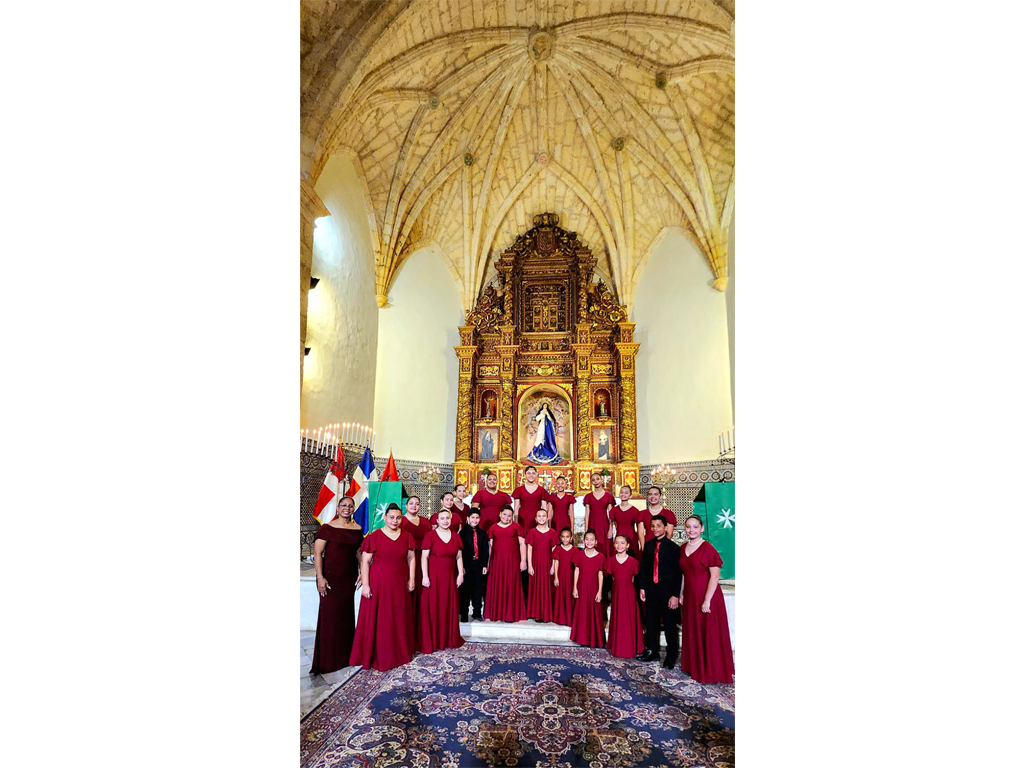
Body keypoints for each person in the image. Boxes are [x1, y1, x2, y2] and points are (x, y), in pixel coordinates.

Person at [349, 503, 416, 671]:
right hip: (378, 584)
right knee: (380, 618)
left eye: (398, 518)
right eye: (391, 517)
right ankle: (378, 654)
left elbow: (411, 559)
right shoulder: (374, 536)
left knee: (398, 617)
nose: (395, 521)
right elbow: (365, 561)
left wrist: (412, 579)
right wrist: (366, 585)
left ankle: (399, 653)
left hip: (399, 583)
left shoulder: (407, 536)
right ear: (384, 517)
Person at [678, 515, 735, 684]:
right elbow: (683, 573)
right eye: (688, 526)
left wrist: (707, 600)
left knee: (707, 632)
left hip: (706, 596)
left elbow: (715, 575)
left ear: (702, 528)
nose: (691, 530)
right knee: (693, 630)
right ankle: (695, 666)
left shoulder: (708, 548)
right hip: (690, 596)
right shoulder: (683, 548)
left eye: (695, 527)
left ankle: (710, 670)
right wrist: (681, 592)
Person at [310, 496, 363, 675]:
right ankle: (327, 661)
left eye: (350, 506)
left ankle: (345, 657)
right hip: (330, 579)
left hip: (348, 579)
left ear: (353, 509)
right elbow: (318, 553)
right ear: (338, 508)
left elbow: (358, 553)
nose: (347, 508)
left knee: (346, 617)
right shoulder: (327, 528)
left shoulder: (358, 529)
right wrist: (320, 578)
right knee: (329, 618)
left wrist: (362, 572)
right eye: (344, 505)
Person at [637, 515, 682, 668]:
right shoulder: (648, 546)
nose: (655, 529)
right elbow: (643, 568)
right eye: (653, 526)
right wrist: (642, 587)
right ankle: (652, 650)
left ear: (665, 527)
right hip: (651, 588)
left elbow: (678, 574)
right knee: (651, 621)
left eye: (658, 525)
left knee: (669, 623)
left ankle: (671, 655)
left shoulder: (673, 548)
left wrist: (675, 595)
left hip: (667, 590)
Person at [418, 509, 466, 654]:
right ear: (437, 521)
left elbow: (459, 557)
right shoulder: (430, 536)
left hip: (450, 577)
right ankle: (433, 640)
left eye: (447, 518)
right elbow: (423, 557)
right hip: (433, 577)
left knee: (448, 607)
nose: (445, 521)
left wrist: (460, 574)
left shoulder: (456, 537)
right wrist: (425, 576)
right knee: (433, 607)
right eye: (442, 518)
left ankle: (447, 638)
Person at [604, 534, 646, 659]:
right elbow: (612, 578)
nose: (619, 545)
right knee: (618, 618)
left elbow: (632, 580)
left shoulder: (633, 562)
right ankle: (617, 645)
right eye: (617, 543)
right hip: (617, 593)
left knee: (629, 619)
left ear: (627, 546)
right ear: (614, 545)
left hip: (629, 594)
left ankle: (631, 647)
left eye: (622, 543)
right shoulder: (611, 561)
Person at [484, 505, 527, 623]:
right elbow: (490, 547)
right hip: (497, 561)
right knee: (497, 585)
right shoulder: (493, 528)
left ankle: (510, 615)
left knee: (511, 585)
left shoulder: (517, 527)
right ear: (500, 514)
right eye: (504, 515)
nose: (507, 518)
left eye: (509, 516)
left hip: (512, 561)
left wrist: (523, 561)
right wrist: (487, 564)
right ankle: (497, 613)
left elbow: (522, 544)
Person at [400, 496, 429, 651]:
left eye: (417, 504)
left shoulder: (425, 522)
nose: (414, 506)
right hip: (406, 561)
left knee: (422, 595)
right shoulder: (401, 521)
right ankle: (407, 632)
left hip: (423, 561)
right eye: (411, 503)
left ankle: (421, 631)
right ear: (406, 505)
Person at [570, 530, 606, 648]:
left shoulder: (600, 557)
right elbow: (577, 571)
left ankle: (594, 638)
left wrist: (600, 591)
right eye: (587, 539)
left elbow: (600, 574)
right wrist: (575, 587)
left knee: (594, 611)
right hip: (582, 587)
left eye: (592, 539)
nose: (589, 542)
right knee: (582, 612)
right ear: (583, 541)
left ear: (596, 542)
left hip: (594, 587)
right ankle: (582, 638)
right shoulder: (579, 554)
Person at [525, 508, 558, 622]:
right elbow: (529, 549)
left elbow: (555, 551)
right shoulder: (532, 532)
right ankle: (536, 613)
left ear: (547, 518)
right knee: (536, 587)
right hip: (536, 563)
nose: (541, 518)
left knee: (547, 588)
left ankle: (546, 613)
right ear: (535, 519)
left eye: (544, 516)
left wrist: (553, 566)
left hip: (547, 563)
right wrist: (530, 565)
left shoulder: (552, 533)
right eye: (539, 516)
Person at [459, 509, 489, 621]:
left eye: (477, 518)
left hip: (478, 565)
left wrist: (485, 565)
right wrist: (461, 567)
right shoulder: (463, 533)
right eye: (472, 518)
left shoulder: (482, 533)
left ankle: (477, 613)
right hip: (467, 565)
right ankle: (464, 614)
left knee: (478, 589)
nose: (475, 520)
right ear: (468, 519)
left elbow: (486, 550)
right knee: (465, 591)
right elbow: (460, 551)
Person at [583, 473, 615, 557]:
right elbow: (587, 514)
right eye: (593, 480)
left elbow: (611, 514)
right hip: (592, 525)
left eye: (597, 479)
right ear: (591, 482)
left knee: (605, 548)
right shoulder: (588, 497)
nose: (596, 481)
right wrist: (586, 530)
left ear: (601, 480)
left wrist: (611, 529)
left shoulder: (608, 496)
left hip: (604, 525)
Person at [551, 527, 576, 626]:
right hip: (561, 576)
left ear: (571, 538)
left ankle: (570, 618)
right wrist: (556, 577)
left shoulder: (575, 550)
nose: (565, 539)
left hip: (571, 577)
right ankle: (560, 618)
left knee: (570, 596)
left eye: (567, 537)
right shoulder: (558, 548)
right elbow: (556, 563)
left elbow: (577, 566)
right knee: (560, 596)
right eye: (563, 537)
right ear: (560, 538)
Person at [512, 465, 548, 531]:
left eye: (533, 473)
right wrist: (516, 522)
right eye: (529, 473)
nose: (531, 475)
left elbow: (544, 508)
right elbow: (516, 507)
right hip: (522, 519)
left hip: (537, 519)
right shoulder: (519, 490)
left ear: (536, 475)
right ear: (525, 474)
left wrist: (545, 522)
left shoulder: (541, 490)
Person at [610, 484, 640, 558]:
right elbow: (613, 525)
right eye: (621, 492)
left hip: (632, 537)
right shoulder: (614, 510)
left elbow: (638, 528)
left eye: (626, 493)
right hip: (619, 537)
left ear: (630, 496)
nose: (623, 494)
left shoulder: (635, 511)